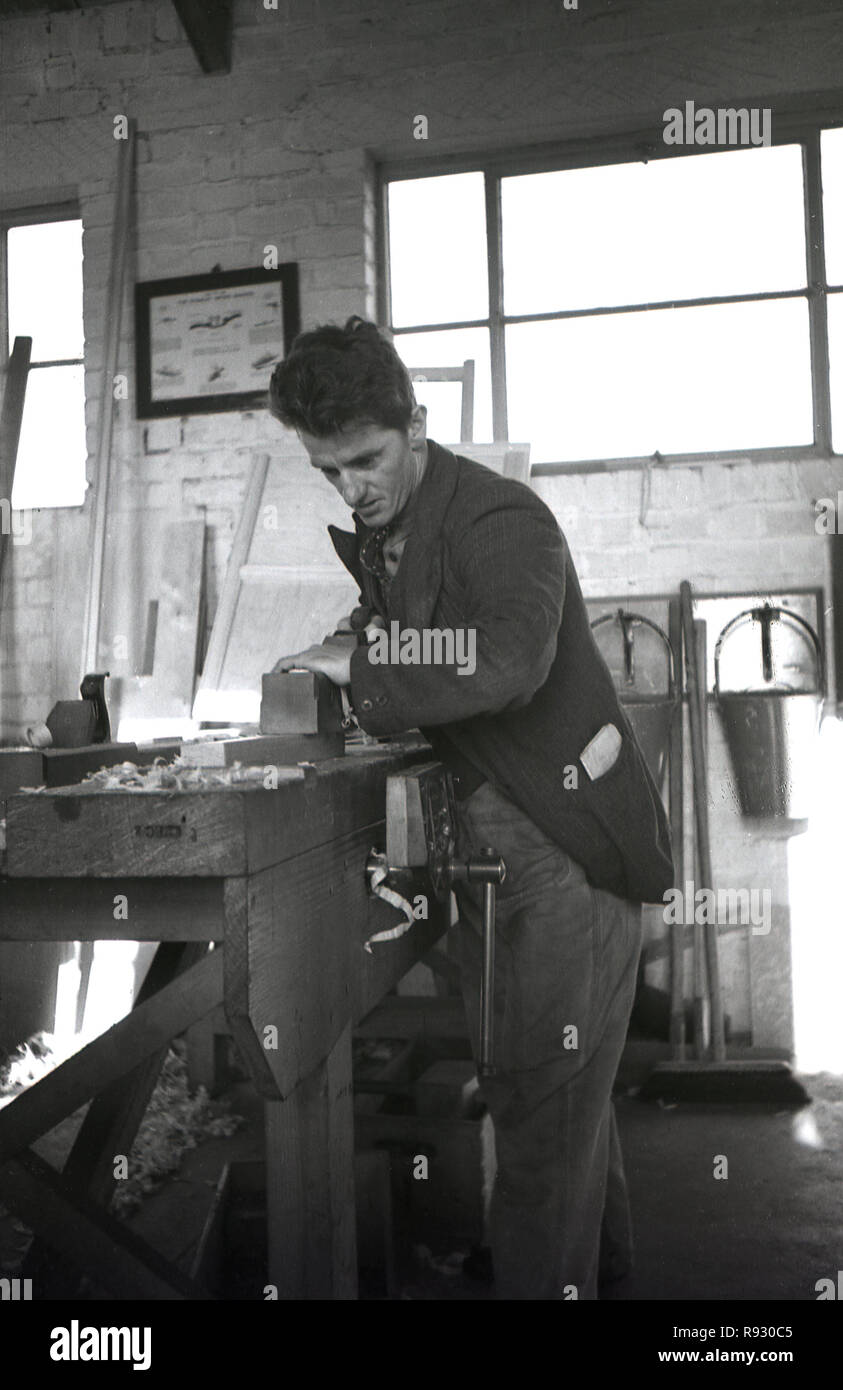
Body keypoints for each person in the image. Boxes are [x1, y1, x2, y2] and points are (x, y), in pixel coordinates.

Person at [269, 316, 673, 1300]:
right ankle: (598, 1276)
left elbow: (504, 659)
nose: (352, 488)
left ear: (414, 422)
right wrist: (342, 649)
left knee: (540, 1110)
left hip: (567, 846)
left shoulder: (503, 520)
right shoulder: (395, 534)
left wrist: (361, 669)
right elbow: (390, 632)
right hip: (495, 845)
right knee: (558, 1103)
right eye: (330, 472)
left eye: (365, 460)